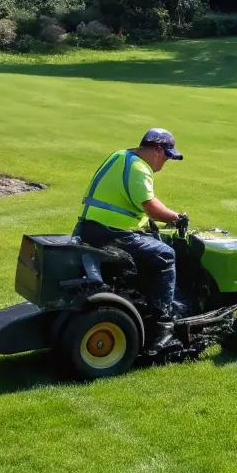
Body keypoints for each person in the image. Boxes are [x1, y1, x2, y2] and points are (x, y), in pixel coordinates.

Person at [74, 128, 188, 335]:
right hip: (112, 234)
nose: (165, 163)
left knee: (153, 241)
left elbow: (137, 199)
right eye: (166, 157)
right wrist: (176, 218)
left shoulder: (119, 156)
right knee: (166, 254)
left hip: (88, 227)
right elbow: (151, 207)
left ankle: (143, 297)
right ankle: (163, 320)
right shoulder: (139, 168)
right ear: (158, 150)